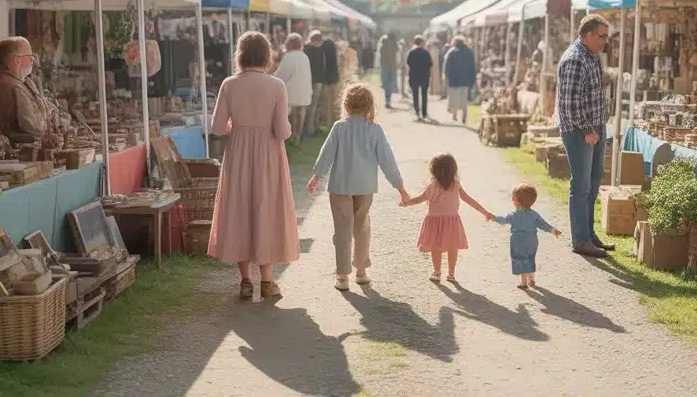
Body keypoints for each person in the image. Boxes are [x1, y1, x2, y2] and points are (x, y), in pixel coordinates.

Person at [208, 32, 300, 300]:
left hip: (237, 153)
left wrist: (237, 127)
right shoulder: (276, 86)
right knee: (265, 210)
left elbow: (216, 127)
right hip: (268, 155)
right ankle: (268, 282)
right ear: (266, 55)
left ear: (240, 54)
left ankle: (246, 281)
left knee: (239, 210)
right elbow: (282, 132)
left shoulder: (229, 84)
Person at [307, 83, 408, 291]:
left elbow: (326, 154)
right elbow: (387, 160)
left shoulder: (339, 127)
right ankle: (361, 271)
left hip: (340, 186)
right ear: (370, 107)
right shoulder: (375, 129)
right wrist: (400, 186)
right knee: (361, 228)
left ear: (345, 105)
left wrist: (317, 175)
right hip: (365, 187)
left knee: (342, 230)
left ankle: (343, 276)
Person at [557, 15, 614, 258]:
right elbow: (570, 103)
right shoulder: (576, 59)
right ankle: (580, 239)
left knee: (592, 183)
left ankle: (589, 235)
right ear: (588, 34)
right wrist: (588, 130)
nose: (605, 41)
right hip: (580, 132)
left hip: (595, 128)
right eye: (602, 36)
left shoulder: (592, 55)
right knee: (580, 185)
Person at [401, 153, 494, 283]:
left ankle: (437, 272)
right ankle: (451, 274)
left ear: (433, 171)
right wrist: (484, 212)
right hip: (452, 221)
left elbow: (419, 199)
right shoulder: (455, 185)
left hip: (434, 221)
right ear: (453, 170)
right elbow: (469, 200)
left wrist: (407, 202)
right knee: (452, 247)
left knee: (435, 248)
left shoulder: (432, 186)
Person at [493, 183, 561, 289]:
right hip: (532, 241)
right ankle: (532, 279)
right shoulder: (534, 214)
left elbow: (503, 220)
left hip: (518, 241)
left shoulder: (513, 215)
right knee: (530, 258)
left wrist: (493, 217)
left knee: (520, 259)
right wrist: (552, 230)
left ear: (516, 201)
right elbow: (543, 224)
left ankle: (524, 282)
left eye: (513, 199)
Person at [0, 36, 46, 141]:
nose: (33, 59)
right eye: (29, 55)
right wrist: (48, 115)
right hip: (19, 149)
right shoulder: (13, 86)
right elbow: (37, 128)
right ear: (16, 61)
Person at [273, 33, 313, 143]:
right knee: (301, 113)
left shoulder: (289, 57)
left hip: (292, 91)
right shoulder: (304, 56)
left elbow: (282, 74)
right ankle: (298, 136)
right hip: (304, 90)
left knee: (292, 115)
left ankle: (291, 137)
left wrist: (271, 78)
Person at [442, 35, 477, 124]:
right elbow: (473, 66)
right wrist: (472, 78)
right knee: (464, 98)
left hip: (454, 79)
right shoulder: (469, 52)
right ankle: (464, 116)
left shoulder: (451, 52)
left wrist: (446, 75)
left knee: (455, 97)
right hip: (466, 79)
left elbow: (446, 65)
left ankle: (454, 115)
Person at [305, 30, 327, 139]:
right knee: (313, 106)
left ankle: (305, 130)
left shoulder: (305, 49)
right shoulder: (320, 51)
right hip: (317, 81)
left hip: (307, 81)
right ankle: (310, 130)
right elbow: (322, 67)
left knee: (306, 106)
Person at [406, 35, 433, 120]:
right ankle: (424, 112)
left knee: (415, 94)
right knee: (424, 94)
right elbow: (430, 64)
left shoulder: (412, 52)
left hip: (414, 75)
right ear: (421, 43)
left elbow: (408, 63)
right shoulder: (426, 52)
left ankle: (417, 110)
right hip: (424, 76)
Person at [321, 30, 342, 124]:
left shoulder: (322, 50)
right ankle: (338, 120)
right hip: (335, 78)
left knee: (327, 103)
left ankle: (329, 122)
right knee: (336, 102)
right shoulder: (334, 48)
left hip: (325, 79)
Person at [377, 33, 399, 108]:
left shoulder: (382, 45)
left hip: (385, 66)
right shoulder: (394, 44)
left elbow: (380, 56)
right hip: (392, 66)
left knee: (386, 83)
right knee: (390, 83)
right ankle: (388, 99)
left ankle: (387, 99)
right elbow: (397, 51)